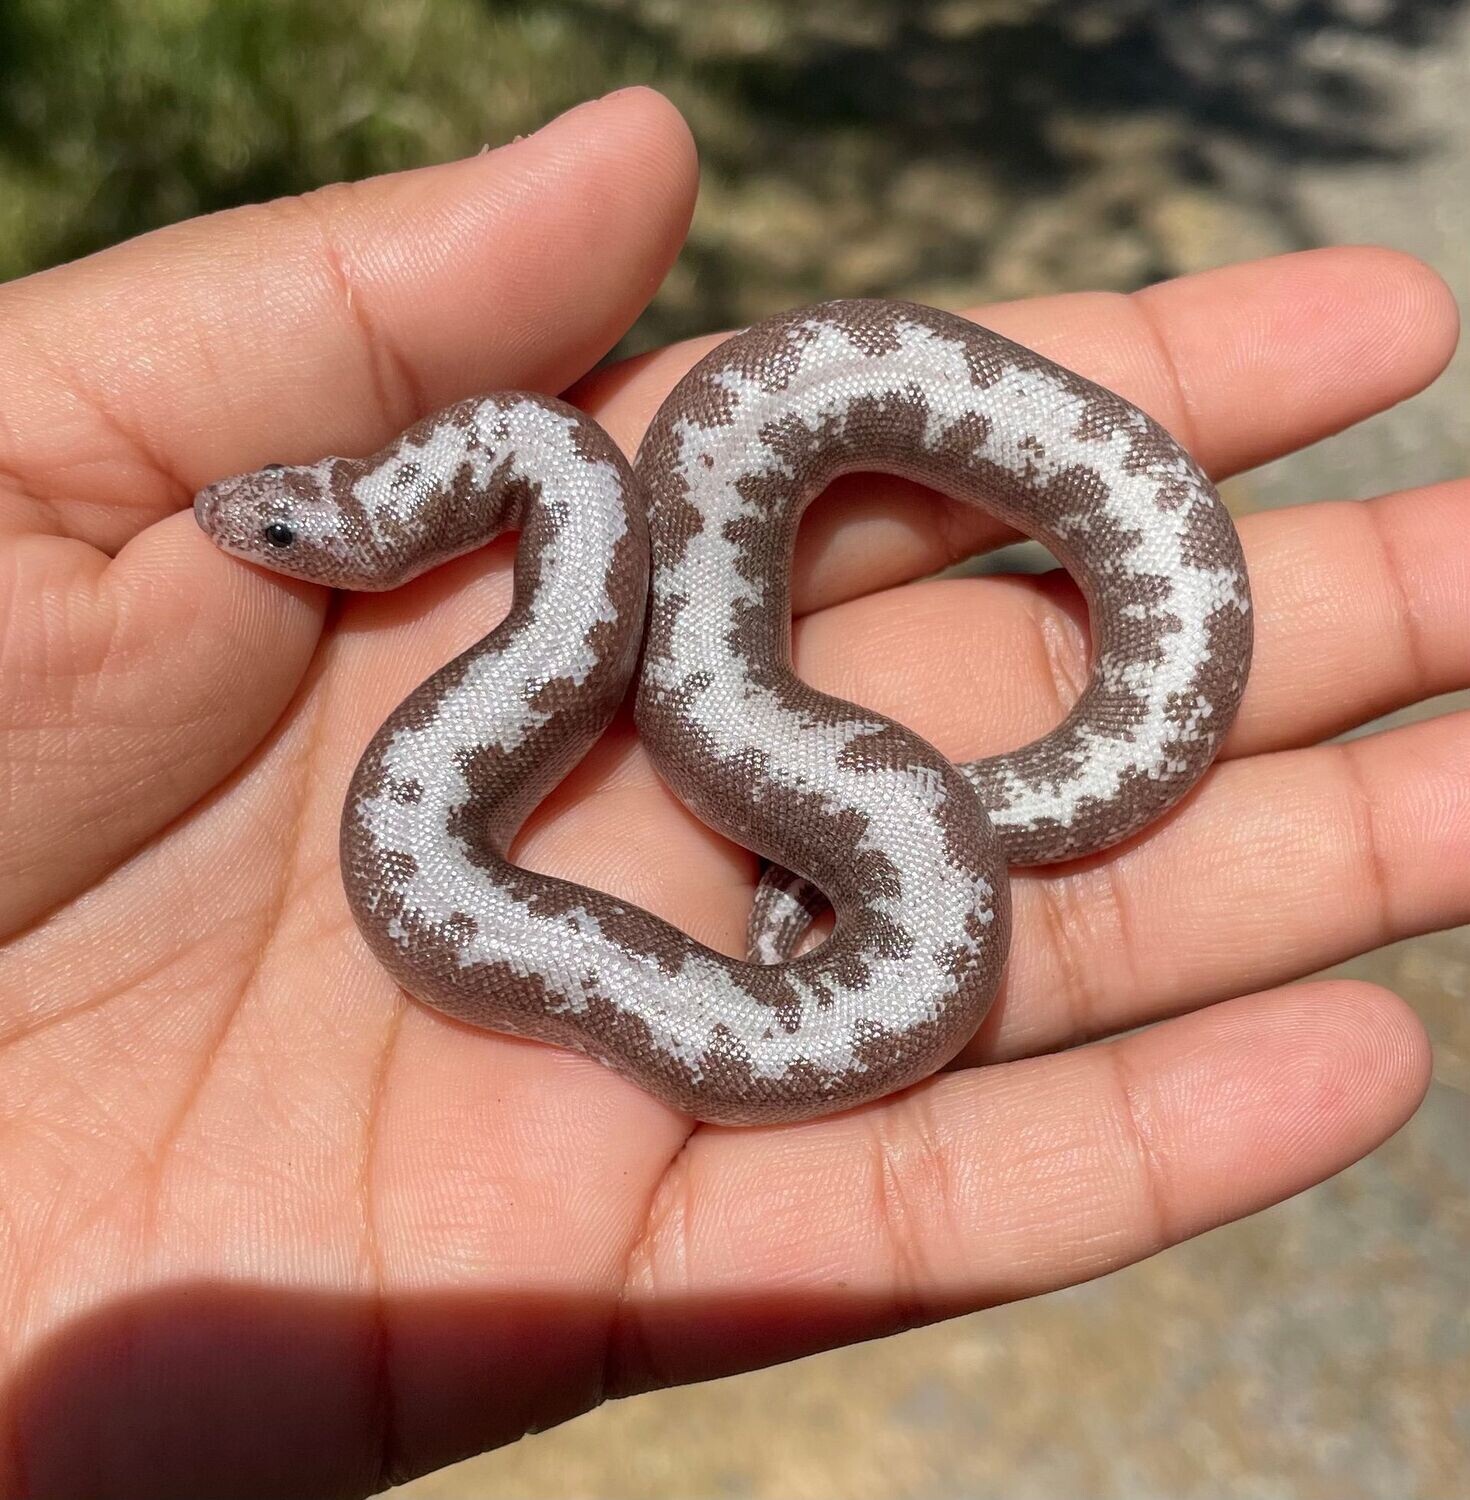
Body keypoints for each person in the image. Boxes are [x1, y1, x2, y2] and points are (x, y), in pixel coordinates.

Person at [0, 87, 1461, 1500]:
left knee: (735, 726)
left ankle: (926, 832)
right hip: (784, 805)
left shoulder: (580, 491)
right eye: (277, 524)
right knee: (726, 740)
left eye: (278, 518)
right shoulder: (556, 493)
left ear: (396, 524)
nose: (235, 525)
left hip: (824, 707)